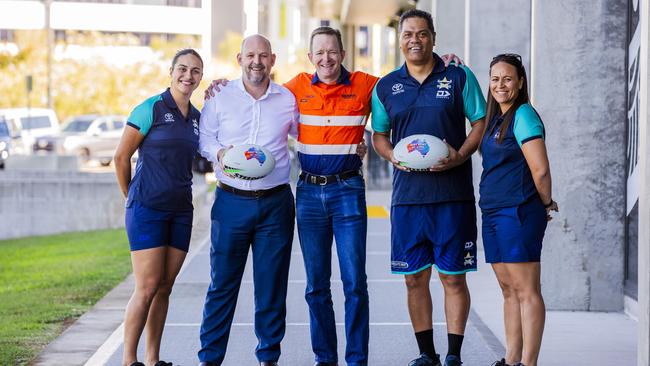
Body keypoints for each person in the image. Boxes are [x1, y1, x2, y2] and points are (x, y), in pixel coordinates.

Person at [204, 28, 460, 366]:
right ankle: (324, 359)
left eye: (332, 52)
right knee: (316, 286)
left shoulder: (367, 85)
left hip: (348, 191)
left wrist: (439, 65)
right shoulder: (292, 91)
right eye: (319, 53)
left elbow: (405, 82)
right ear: (310, 58)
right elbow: (258, 115)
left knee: (354, 283)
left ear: (342, 53)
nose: (326, 58)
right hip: (308, 193)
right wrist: (217, 84)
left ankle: (356, 360)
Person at [371, 9, 486, 366]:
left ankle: (453, 355)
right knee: (414, 280)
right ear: (400, 39)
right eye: (408, 34)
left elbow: (480, 122)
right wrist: (391, 155)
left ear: (433, 37)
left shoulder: (458, 77)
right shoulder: (386, 86)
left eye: (422, 33)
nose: (415, 40)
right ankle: (427, 354)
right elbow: (379, 135)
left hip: (452, 197)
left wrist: (461, 154)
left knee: (453, 279)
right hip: (408, 200)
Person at [197, 35, 298, 366]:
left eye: (263, 55)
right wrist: (221, 153)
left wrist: (354, 145)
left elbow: (309, 134)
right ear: (239, 59)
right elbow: (205, 140)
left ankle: (268, 358)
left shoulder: (288, 99)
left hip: (275, 204)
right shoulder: (219, 97)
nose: (257, 61)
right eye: (250, 55)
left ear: (273, 59)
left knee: (271, 289)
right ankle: (210, 359)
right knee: (222, 285)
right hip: (231, 203)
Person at [113, 48, 203, 366]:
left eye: (195, 71)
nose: (187, 76)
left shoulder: (196, 118)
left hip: (181, 211)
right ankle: (128, 360)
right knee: (147, 286)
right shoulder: (150, 108)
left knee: (165, 286)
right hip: (146, 209)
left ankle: (153, 360)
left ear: (200, 77)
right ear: (171, 71)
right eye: (182, 68)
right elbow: (121, 157)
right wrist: (131, 196)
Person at [479, 53, 557, 366]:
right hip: (493, 212)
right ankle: (511, 360)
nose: (500, 84)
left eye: (508, 78)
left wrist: (545, 202)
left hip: (518, 212)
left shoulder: (524, 115)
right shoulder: (494, 117)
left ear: (520, 82)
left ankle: (529, 362)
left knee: (526, 290)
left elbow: (540, 169)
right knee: (508, 289)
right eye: (495, 79)